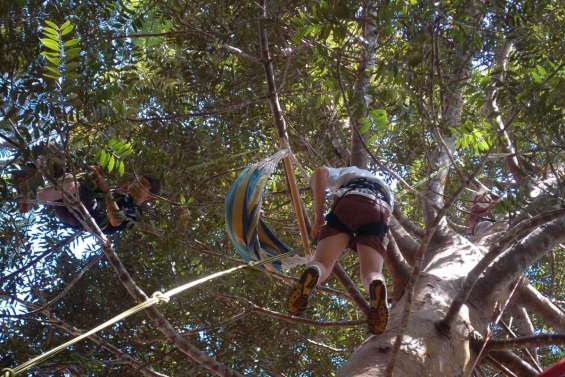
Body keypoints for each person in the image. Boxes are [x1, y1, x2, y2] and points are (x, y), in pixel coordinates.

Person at [287, 166, 394, 335]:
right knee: (371, 272)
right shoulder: (384, 185)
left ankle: (313, 270)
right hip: (380, 208)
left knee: (322, 263)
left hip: (349, 200)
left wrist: (319, 216)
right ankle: (376, 282)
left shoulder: (347, 171)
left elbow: (320, 172)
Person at [35, 165, 160, 234]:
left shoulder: (135, 212)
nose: (137, 184)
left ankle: (32, 197)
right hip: (68, 209)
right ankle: (30, 188)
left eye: (142, 184)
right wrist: (96, 176)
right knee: (58, 165)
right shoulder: (118, 193)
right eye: (137, 180)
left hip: (88, 218)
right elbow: (97, 191)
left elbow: (115, 220)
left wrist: (107, 192)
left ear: (149, 196)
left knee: (73, 185)